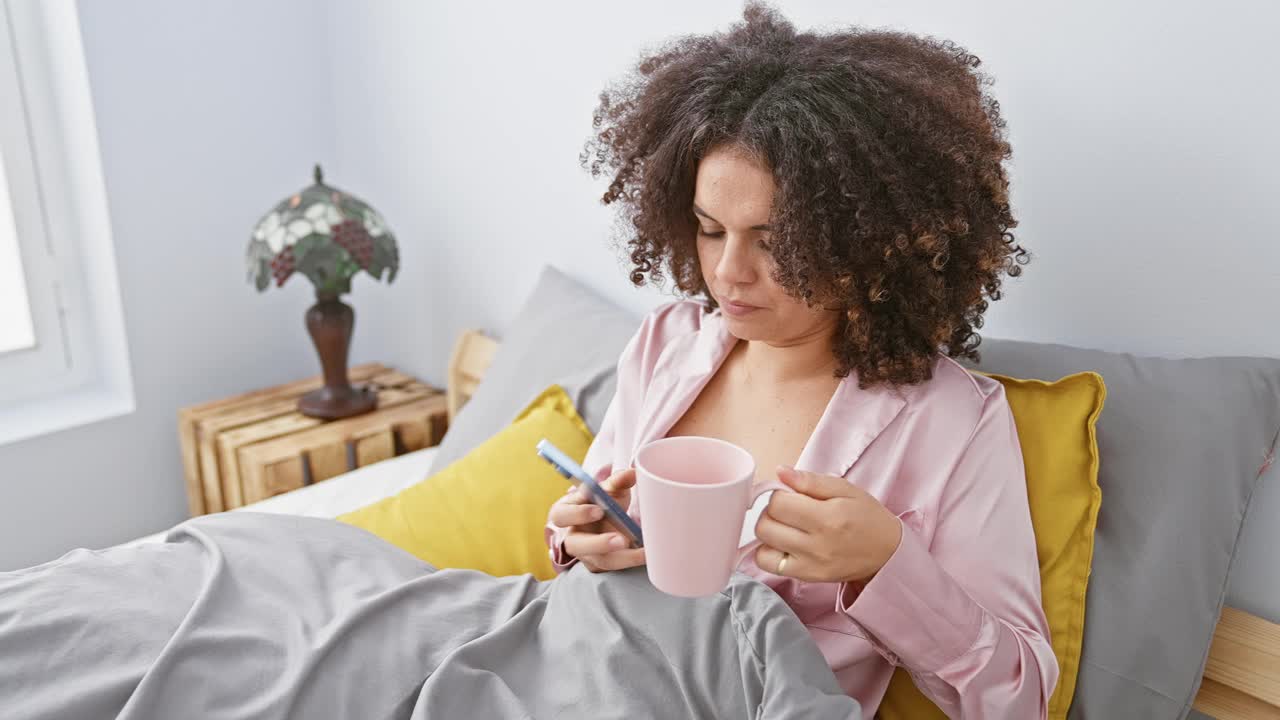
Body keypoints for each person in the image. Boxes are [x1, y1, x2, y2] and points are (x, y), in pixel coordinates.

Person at [546, 3, 1058, 717]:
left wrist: (888, 564)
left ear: (864, 238)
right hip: (565, 668)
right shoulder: (666, 341)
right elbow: (590, 525)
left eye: (772, 239)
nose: (728, 272)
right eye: (708, 229)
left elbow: (1017, 695)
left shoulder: (953, 420)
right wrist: (578, 537)